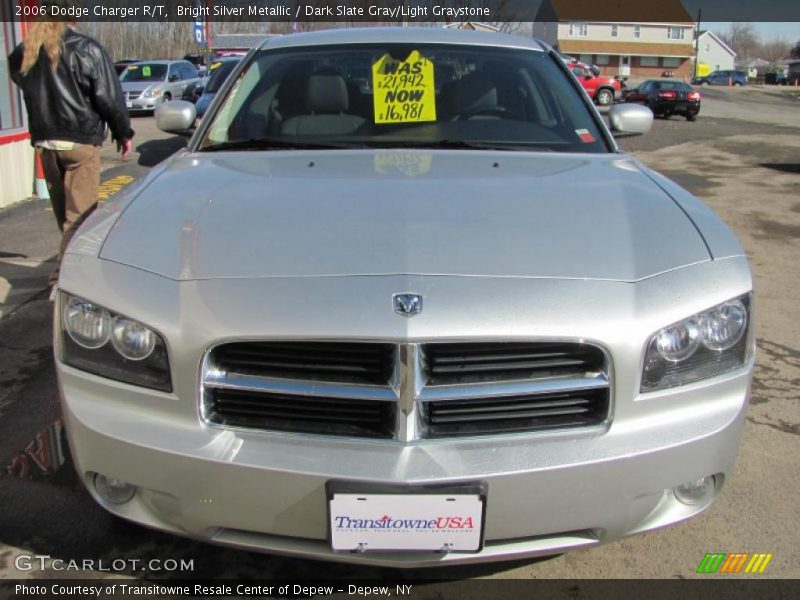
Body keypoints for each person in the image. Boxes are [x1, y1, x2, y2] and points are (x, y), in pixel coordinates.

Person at [8, 9, 133, 294]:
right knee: (80, 218)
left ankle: (71, 273)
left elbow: (19, 75)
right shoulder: (87, 48)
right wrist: (123, 133)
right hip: (79, 143)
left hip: (46, 144)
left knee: (65, 218)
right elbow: (109, 97)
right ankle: (62, 281)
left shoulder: (25, 51)